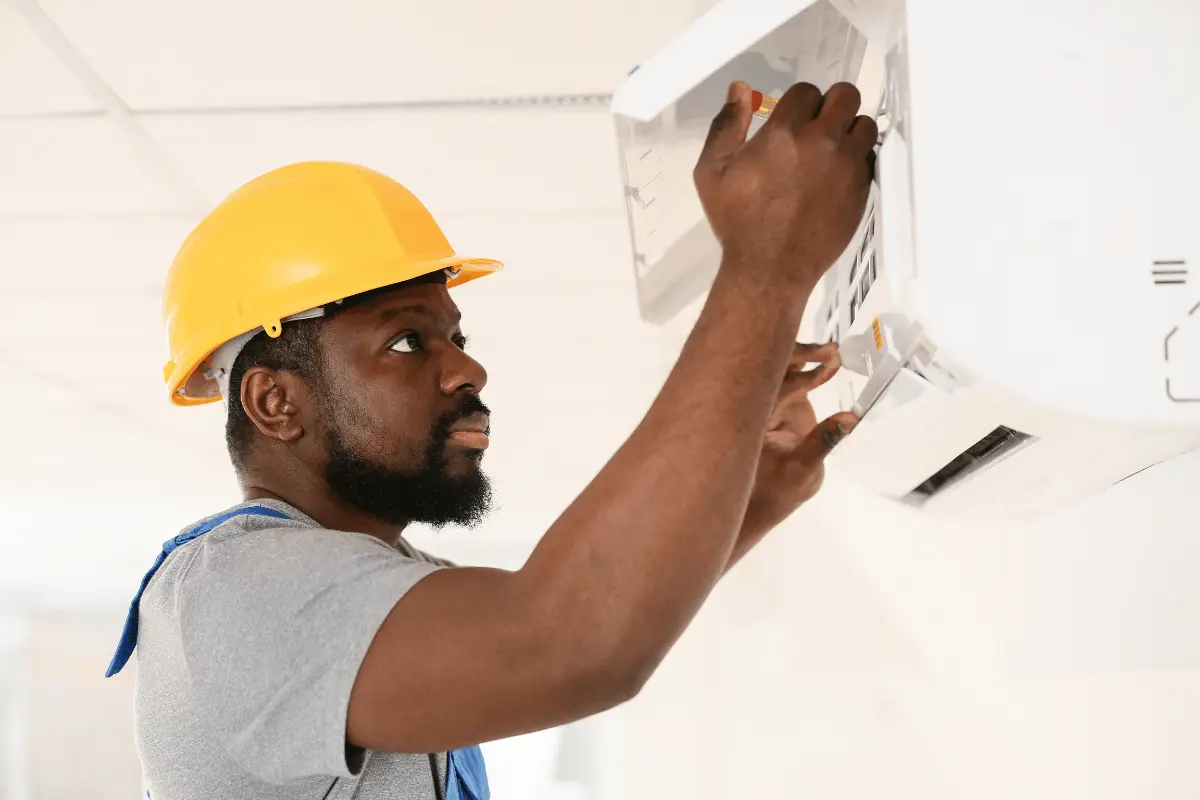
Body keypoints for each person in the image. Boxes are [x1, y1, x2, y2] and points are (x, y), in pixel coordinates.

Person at [106, 80, 876, 799]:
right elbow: (568, 641)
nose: (467, 367)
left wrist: (748, 488)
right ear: (275, 400)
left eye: (456, 335)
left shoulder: (361, 581)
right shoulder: (240, 592)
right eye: (407, 342)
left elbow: (567, 630)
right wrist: (765, 267)